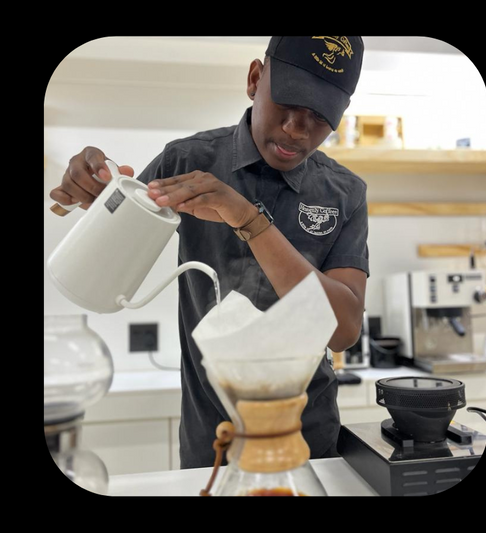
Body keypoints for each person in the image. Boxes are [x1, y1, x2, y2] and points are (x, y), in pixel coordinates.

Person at [49, 36, 369, 469]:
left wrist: (248, 219)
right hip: (209, 445)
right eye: (289, 103)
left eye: (319, 115)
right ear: (255, 79)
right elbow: (107, 234)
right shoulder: (187, 162)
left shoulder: (344, 193)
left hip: (307, 442)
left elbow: (343, 330)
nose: (297, 128)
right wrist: (90, 189)